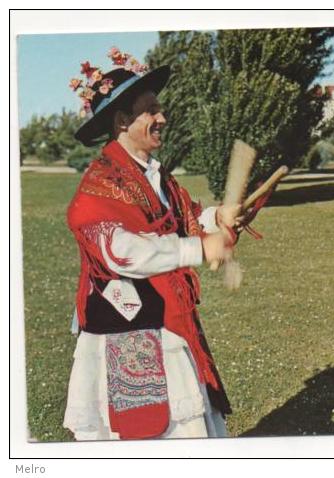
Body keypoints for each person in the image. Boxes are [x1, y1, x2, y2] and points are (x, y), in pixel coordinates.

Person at [63, 48, 242, 440]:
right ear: (124, 121)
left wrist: (218, 217)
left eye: (159, 109)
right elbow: (121, 251)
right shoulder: (100, 184)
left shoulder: (153, 174)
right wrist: (198, 249)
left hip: (169, 324)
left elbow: (183, 217)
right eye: (151, 111)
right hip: (128, 330)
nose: (162, 118)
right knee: (144, 437)